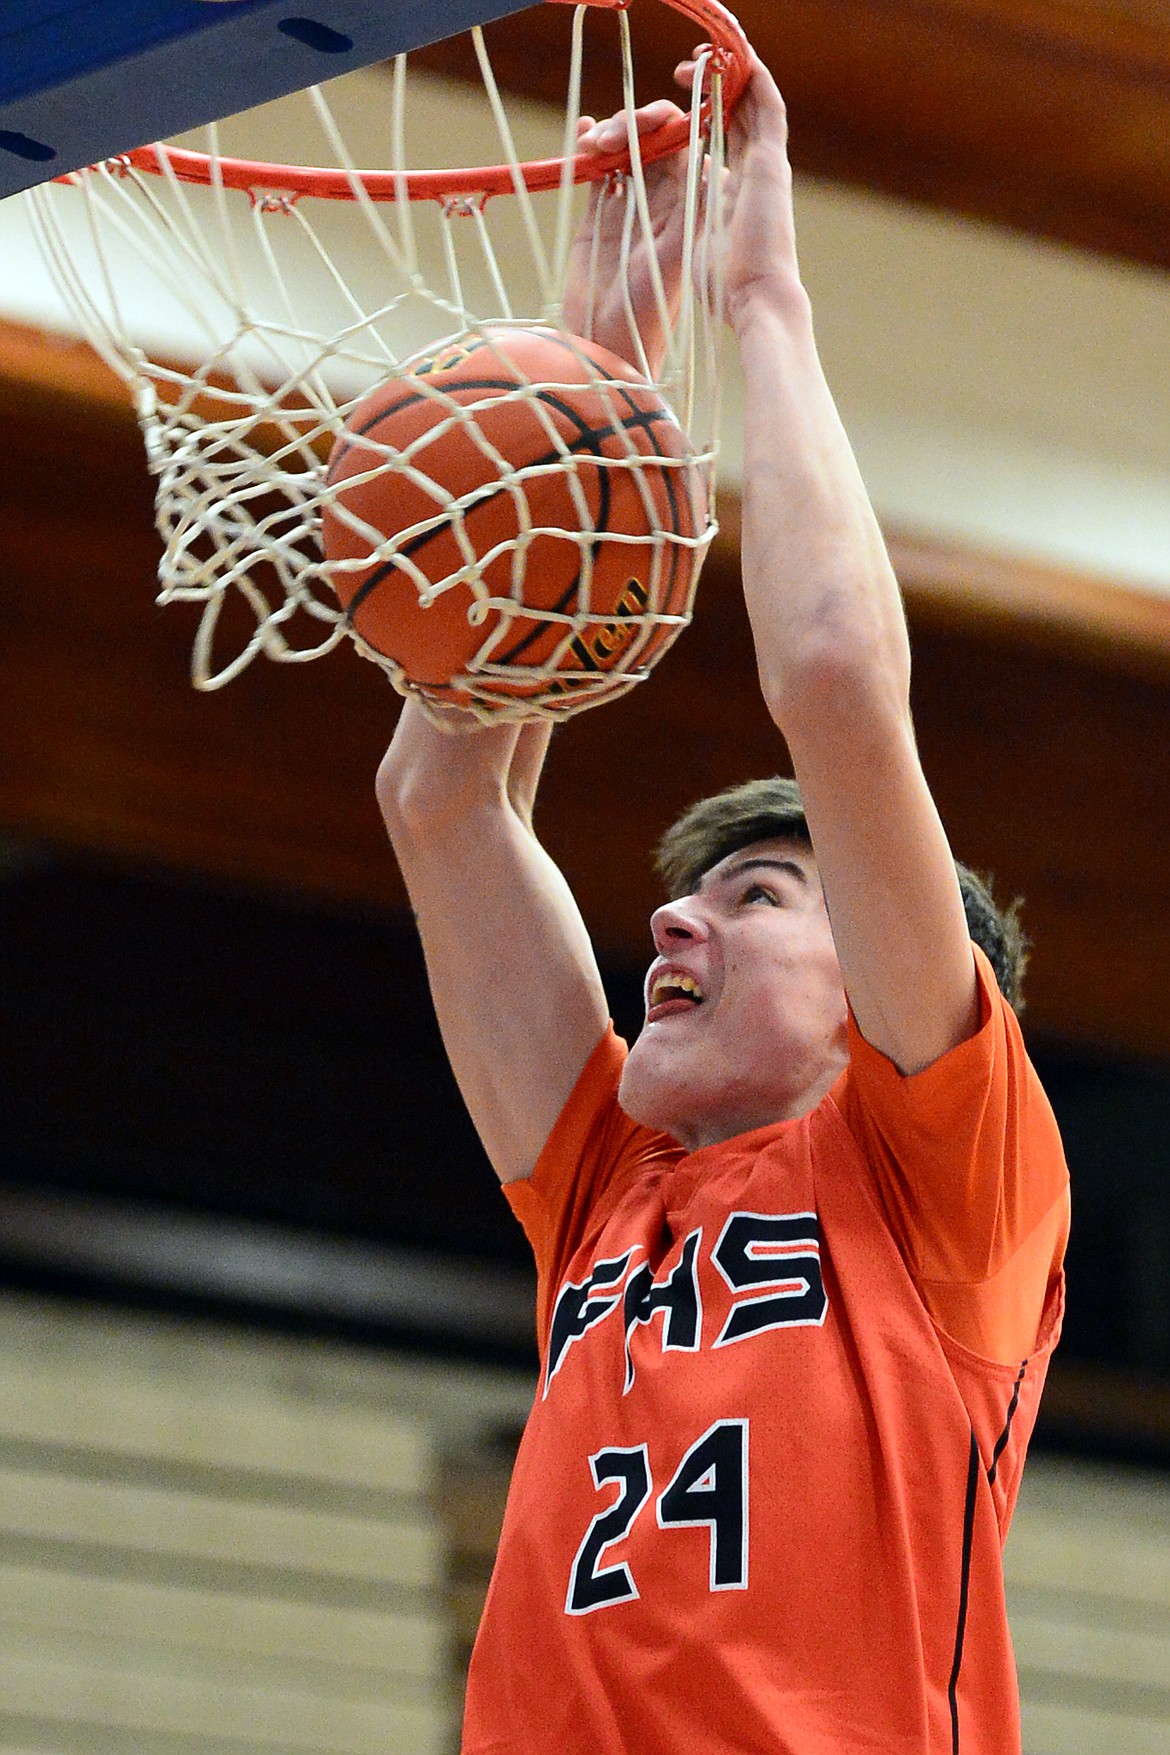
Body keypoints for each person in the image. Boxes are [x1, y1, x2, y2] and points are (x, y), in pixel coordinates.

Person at [377, 50, 1069, 1755]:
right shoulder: (614, 1181)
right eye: (685, 901)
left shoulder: (941, 1183)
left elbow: (835, 678)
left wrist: (758, 299)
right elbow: (439, 796)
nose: (670, 926)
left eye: (755, 895)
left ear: (888, 985)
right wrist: (588, 377)